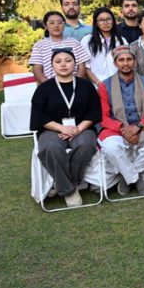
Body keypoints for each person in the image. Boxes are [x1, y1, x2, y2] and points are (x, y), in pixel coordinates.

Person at [30, 48, 101, 207]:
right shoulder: (44, 88)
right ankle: (69, 190)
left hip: (82, 128)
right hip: (52, 129)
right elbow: (38, 116)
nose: (63, 65)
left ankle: (61, 184)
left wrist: (78, 129)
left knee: (86, 146)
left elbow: (94, 111)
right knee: (50, 148)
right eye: (58, 61)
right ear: (52, 65)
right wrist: (62, 128)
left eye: (68, 61)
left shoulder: (86, 86)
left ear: (75, 64)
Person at [98, 46, 144, 196]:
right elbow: (103, 117)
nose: (125, 63)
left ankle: (125, 174)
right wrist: (123, 129)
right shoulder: (104, 85)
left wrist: (138, 127)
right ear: (115, 64)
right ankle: (135, 178)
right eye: (121, 60)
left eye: (129, 59)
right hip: (115, 128)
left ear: (135, 62)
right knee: (111, 147)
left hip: (143, 126)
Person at [30, 10, 89, 83]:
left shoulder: (74, 43)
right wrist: (49, 87)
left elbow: (82, 67)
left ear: (64, 25)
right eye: (52, 23)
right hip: (49, 87)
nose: (56, 25)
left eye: (60, 22)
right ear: (45, 25)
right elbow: (37, 70)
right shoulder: (39, 45)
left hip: (74, 86)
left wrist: (74, 84)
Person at [80, 7, 127, 86]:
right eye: (101, 20)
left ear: (113, 21)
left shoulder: (121, 40)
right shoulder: (87, 40)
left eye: (108, 19)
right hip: (96, 87)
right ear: (96, 23)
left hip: (118, 86)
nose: (106, 23)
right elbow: (85, 67)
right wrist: (98, 83)